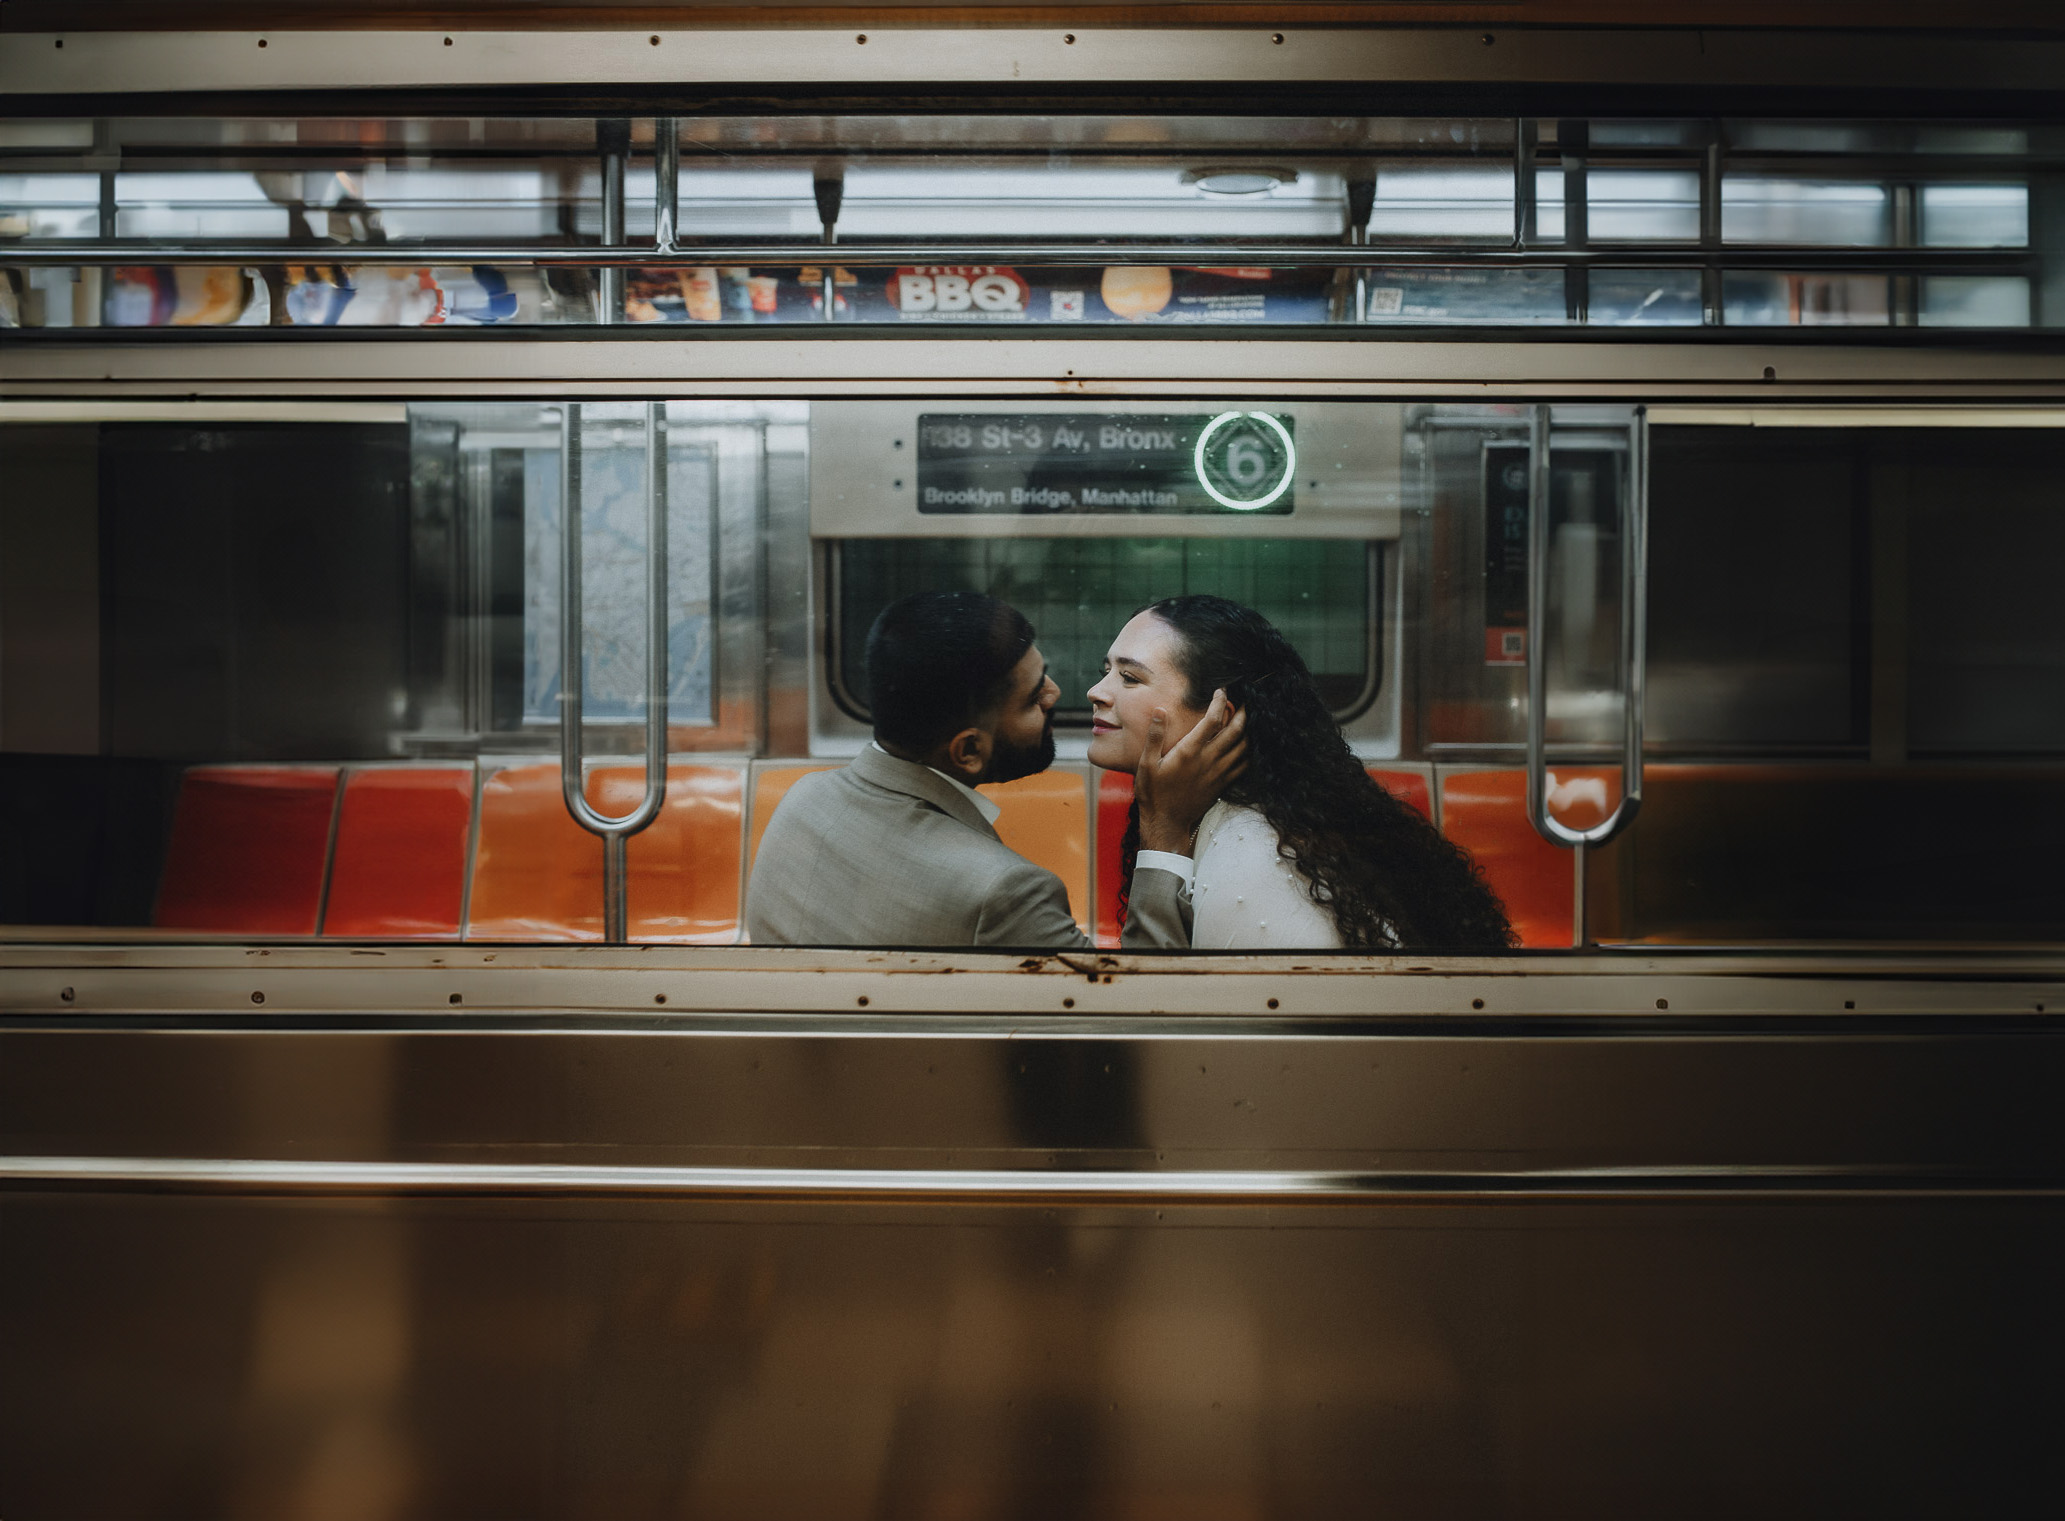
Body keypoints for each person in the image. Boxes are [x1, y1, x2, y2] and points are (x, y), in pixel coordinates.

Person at [747, 590, 1245, 948]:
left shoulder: (802, 800)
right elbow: (1136, 1015)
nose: (1057, 694)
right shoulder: (1003, 893)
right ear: (967, 752)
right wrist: (1163, 834)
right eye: (1032, 700)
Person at [1088, 595, 1514, 952]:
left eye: (1128, 677)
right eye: (1104, 671)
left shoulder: (1253, 854)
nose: (1096, 692)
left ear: (1218, 719)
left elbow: (1162, 1020)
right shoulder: (1235, 818)